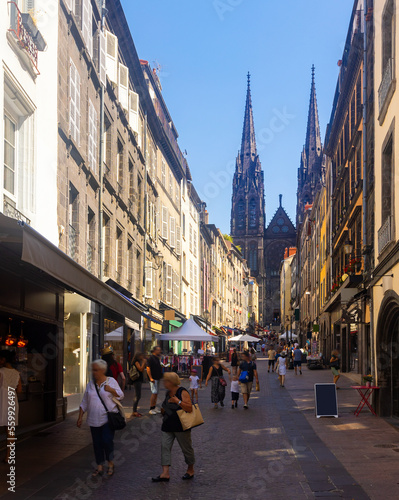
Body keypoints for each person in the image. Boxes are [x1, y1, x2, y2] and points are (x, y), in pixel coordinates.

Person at [77, 359, 124, 477]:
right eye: (93, 370)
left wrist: (112, 390)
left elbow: (121, 395)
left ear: (103, 370)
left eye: (96, 370)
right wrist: (80, 417)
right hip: (93, 419)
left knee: (107, 441)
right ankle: (99, 466)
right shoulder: (90, 384)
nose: (94, 372)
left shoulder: (111, 381)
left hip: (107, 418)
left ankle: (111, 463)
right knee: (97, 443)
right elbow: (85, 401)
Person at [152, 372, 195, 482]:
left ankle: (190, 469)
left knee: (186, 449)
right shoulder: (168, 393)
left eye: (165, 381)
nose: (164, 383)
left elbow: (189, 408)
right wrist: (163, 409)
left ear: (170, 382)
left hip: (181, 426)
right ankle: (165, 473)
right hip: (167, 425)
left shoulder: (182, 391)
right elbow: (165, 407)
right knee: (165, 447)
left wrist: (178, 401)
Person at [0, 350, 22, 463]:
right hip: (12, 400)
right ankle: (9, 456)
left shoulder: (1, 371)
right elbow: (19, 390)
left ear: (4, 359)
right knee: (10, 430)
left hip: (2, 400)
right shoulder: (17, 373)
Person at [147, 346, 163, 414]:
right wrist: (150, 378)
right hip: (153, 378)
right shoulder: (151, 358)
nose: (160, 351)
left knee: (156, 393)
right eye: (158, 350)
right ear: (154, 351)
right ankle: (151, 408)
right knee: (154, 393)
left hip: (157, 377)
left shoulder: (157, 358)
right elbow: (148, 368)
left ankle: (154, 406)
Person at [130, 352, 146, 418]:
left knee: (137, 395)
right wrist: (144, 362)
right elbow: (141, 369)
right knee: (137, 395)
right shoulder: (136, 362)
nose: (143, 357)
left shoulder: (138, 361)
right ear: (138, 356)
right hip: (137, 380)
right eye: (141, 356)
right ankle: (134, 410)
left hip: (138, 380)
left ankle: (134, 410)